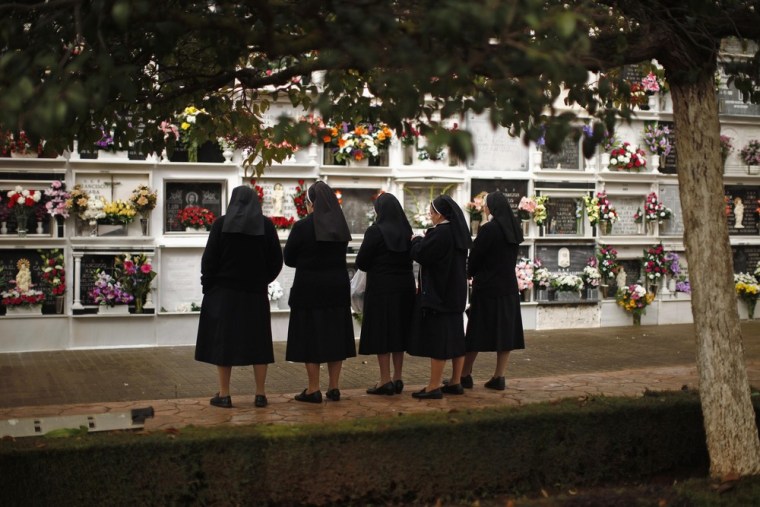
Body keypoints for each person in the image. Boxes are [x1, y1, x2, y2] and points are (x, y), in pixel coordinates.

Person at [195, 185, 283, 409]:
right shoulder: (265, 225)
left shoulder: (221, 225)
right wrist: (262, 280)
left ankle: (224, 394)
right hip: (255, 294)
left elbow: (209, 260)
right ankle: (260, 394)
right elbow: (276, 260)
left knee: (224, 344)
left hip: (224, 294)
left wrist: (209, 287)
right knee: (259, 343)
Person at [284, 180, 356, 403]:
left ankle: (313, 388)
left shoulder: (303, 226)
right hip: (336, 287)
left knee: (310, 337)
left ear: (312, 202)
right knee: (335, 337)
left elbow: (289, 258)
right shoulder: (340, 225)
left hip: (309, 288)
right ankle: (334, 387)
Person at [408, 194, 472, 399]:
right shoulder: (458, 231)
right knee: (456, 339)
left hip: (439, 293)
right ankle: (455, 381)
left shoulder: (441, 233)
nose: (430, 214)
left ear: (441, 214)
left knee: (439, 341)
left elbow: (422, 254)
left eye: (432, 211)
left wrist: (417, 239)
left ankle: (434, 386)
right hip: (456, 293)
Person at [462, 191, 525, 390]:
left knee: (476, 332)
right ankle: (499, 376)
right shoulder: (514, 228)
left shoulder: (489, 229)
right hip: (507, 286)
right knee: (505, 334)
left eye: (486, 205)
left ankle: (465, 374)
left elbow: (477, 256)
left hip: (487, 287)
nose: (484, 208)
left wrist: (469, 272)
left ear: (493, 207)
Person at [356, 192, 415, 395]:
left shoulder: (375, 231)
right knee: (398, 332)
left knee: (383, 334)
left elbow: (362, 262)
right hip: (405, 289)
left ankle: (385, 380)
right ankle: (398, 378)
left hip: (381, 289)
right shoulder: (407, 230)